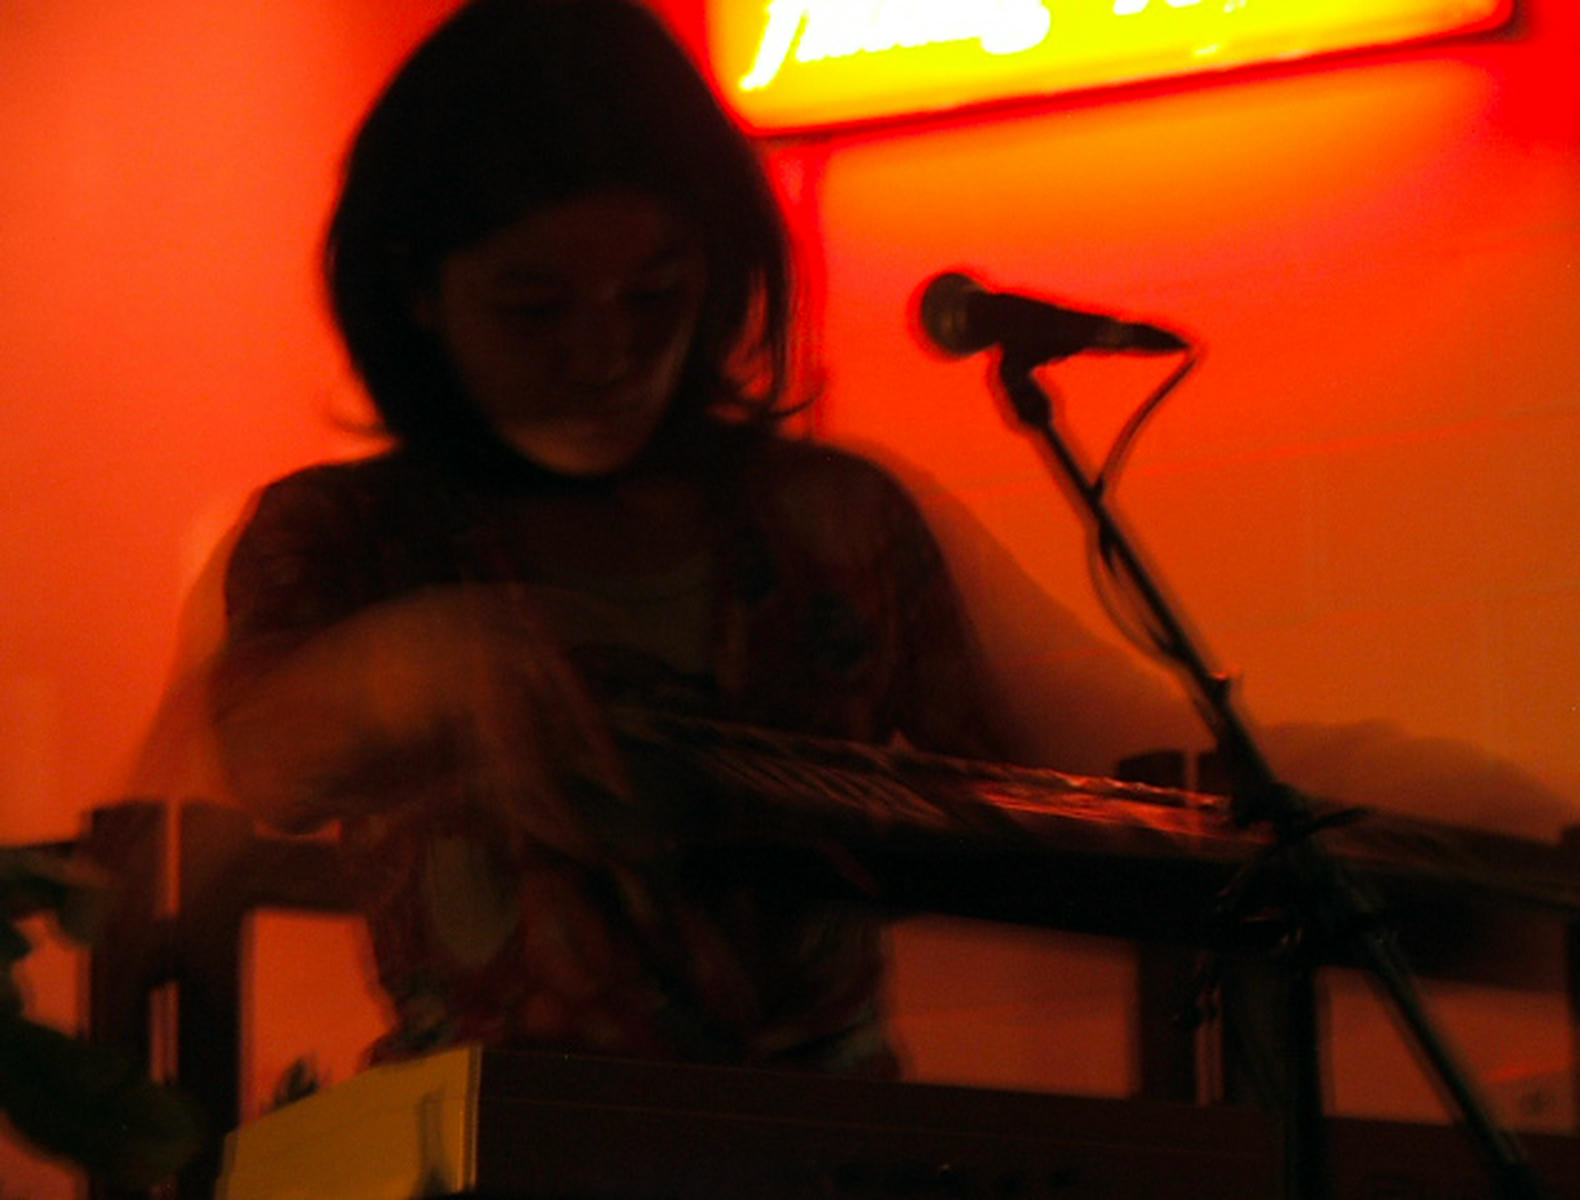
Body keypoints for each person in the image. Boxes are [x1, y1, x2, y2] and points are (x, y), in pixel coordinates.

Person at [209, 0, 1007, 1077]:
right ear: (415, 291)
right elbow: (262, 760)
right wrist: (422, 667)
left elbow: (1016, 778)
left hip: (825, 1126)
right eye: (535, 309)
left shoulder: (840, 515)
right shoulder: (347, 532)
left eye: (654, 296)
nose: (605, 354)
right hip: (497, 1128)